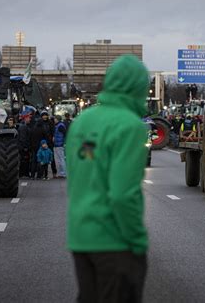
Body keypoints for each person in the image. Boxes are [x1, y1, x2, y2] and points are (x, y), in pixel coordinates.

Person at [66, 54, 149, 303]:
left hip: (80, 239)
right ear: (139, 87)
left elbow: (77, 180)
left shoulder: (81, 122)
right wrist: (137, 240)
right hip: (115, 242)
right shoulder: (131, 126)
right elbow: (123, 194)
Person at [18, 111, 32, 178]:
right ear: (25, 118)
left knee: (25, 160)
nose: (30, 119)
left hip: (23, 146)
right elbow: (23, 138)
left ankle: (24, 173)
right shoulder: (23, 127)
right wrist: (25, 147)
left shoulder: (23, 126)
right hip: (23, 147)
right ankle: (24, 174)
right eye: (29, 118)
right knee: (24, 161)